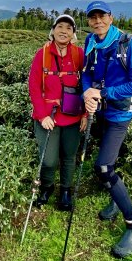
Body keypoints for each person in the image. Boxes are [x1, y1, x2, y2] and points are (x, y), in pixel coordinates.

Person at [82, 0, 132, 258]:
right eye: (92, 17)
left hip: (121, 113)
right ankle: (115, 200)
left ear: (110, 17)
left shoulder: (126, 43)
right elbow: (86, 72)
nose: (97, 21)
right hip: (101, 110)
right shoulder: (91, 42)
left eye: (102, 16)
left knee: (103, 167)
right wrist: (87, 93)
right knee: (108, 162)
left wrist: (103, 92)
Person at [28, 14, 87, 211]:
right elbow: (34, 87)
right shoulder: (42, 54)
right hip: (47, 117)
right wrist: (42, 115)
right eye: (60, 26)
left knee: (69, 156)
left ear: (74, 34)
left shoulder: (79, 54)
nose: (64, 31)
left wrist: (86, 115)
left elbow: (86, 85)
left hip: (72, 115)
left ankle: (66, 192)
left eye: (69, 28)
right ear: (52, 30)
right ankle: (47, 187)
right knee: (49, 159)